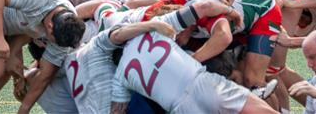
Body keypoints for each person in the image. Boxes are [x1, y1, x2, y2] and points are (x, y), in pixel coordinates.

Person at [110, 24, 278, 114]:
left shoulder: (119, 75)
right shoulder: (152, 32)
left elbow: (117, 111)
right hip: (204, 84)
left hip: (180, 108)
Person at [0, 0, 86, 114]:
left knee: (4, 70)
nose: (55, 46)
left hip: (0, 23)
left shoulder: (65, 29)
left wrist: (24, 109)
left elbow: (45, 75)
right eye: (53, 42)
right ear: (50, 27)